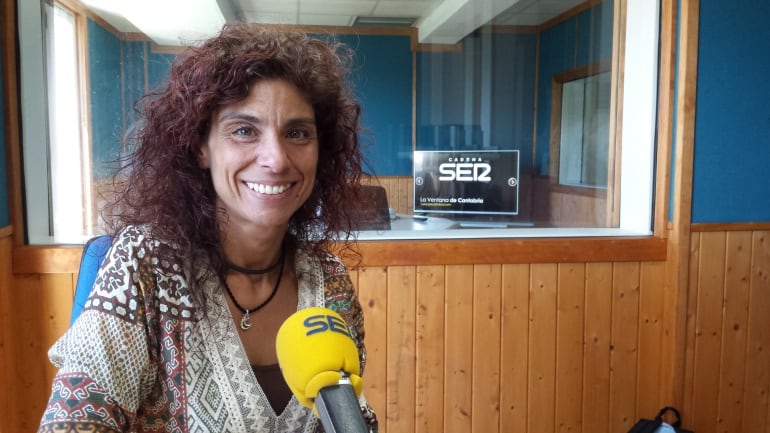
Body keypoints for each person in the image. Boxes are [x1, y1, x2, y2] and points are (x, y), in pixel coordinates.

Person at [38, 23, 378, 433]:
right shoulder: (144, 265)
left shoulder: (330, 283)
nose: (276, 158)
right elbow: (73, 420)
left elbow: (353, 416)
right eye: (244, 131)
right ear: (201, 147)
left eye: (297, 133)